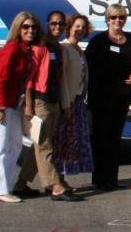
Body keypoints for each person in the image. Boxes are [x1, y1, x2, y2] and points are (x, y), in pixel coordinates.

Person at [16, 10, 77, 201]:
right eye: (53, 23)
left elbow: (59, 78)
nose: (57, 27)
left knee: (39, 146)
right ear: (47, 25)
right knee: (44, 146)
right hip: (39, 102)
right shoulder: (38, 47)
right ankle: (55, 186)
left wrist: (63, 104)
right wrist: (28, 105)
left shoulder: (57, 48)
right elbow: (29, 79)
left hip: (54, 101)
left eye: (60, 24)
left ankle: (20, 184)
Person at [86, 4, 131, 191]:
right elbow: (88, 70)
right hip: (101, 98)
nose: (118, 21)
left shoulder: (130, 40)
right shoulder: (98, 41)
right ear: (107, 19)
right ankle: (100, 179)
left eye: (121, 17)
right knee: (100, 138)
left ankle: (112, 178)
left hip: (122, 97)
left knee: (115, 138)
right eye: (114, 17)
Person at [0, 12, 39, 203]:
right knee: (2, 146)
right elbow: (1, 78)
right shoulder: (12, 49)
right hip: (4, 104)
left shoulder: (25, 50)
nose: (30, 30)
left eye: (33, 27)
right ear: (18, 28)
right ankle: (1, 189)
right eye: (25, 27)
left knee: (15, 145)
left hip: (15, 103)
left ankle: (6, 186)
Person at [54, 14, 94, 178]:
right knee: (62, 142)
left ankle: (62, 178)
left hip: (78, 102)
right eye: (77, 26)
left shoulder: (79, 50)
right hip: (68, 102)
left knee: (72, 143)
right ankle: (57, 180)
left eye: (83, 27)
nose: (80, 29)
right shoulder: (64, 48)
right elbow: (62, 78)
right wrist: (66, 104)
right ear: (69, 27)